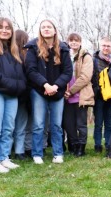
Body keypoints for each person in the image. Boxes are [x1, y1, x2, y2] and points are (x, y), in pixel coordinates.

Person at [24, 19, 73, 164]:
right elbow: (30, 70)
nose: (46, 29)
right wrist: (45, 85)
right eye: (43, 27)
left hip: (57, 91)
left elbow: (68, 72)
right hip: (38, 91)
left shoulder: (63, 48)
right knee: (39, 124)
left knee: (56, 124)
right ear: (40, 31)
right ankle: (37, 154)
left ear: (54, 30)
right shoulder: (33, 47)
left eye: (49, 27)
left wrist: (56, 86)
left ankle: (58, 154)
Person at [0, 17, 26, 173]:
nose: (4, 30)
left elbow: (22, 76)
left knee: (8, 128)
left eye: (8, 28)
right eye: (0, 27)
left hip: (13, 95)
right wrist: (11, 84)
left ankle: (3, 157)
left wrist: (19, 86)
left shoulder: (15, 52)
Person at [63, 33, 94, 157]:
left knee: (81, 124)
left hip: (80, 95)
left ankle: (81, 148)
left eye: (76, 40)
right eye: (71, 40)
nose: (74, 43)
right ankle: (74, 145)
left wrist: (71, 91)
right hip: (66, 96)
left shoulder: (86, 57)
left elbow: (85, 77)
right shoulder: (65, 56)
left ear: (80, 42)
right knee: (69, 124)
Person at [92, 37, 111, 154]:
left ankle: (108, 143)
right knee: (98, 122)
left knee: (109, 123)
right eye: (104, 45)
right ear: (100, 46)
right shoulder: (93, 60)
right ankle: (97, 145)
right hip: (98, 96)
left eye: (108, 46)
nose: (106, 48)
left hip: (110, 97)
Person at [13, 29, 29, 160]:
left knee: (7, 125)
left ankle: (6, 152)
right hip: (23, 95)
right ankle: (19, 151)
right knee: (21, 125)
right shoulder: (27, 56)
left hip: (11, 93)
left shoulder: (10, 55)